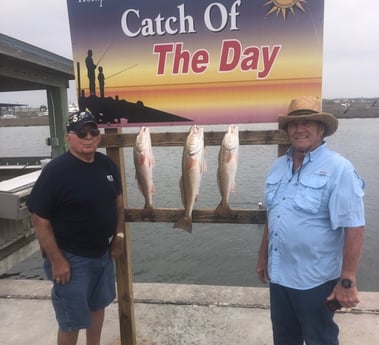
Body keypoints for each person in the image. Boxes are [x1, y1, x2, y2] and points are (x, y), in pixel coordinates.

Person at [256, 96, 365, 345]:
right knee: (284, 339)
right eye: (294, 124)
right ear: (287, 131)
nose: (299, 129)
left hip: (315, 281)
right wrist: (263, 256)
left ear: (321, 129)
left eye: (307, 123)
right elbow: (274, 216)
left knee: (320, 339)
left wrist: (347, 280)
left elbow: (355, 227)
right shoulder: (277, 167)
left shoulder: (340, 169)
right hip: (280, 276)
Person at [27, 111, 125, 345]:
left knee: (97, 307)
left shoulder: (106, 165)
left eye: (93, 132)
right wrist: (57, 260)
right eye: (81, 133)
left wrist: (118, 237)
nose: (88, 137)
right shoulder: (55, 171)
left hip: (102, 254)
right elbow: (39, 219)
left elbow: (119, 205)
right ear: (69, 137)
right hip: (71, 260)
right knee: (71, 321)